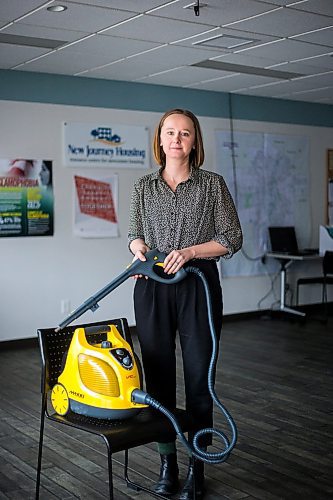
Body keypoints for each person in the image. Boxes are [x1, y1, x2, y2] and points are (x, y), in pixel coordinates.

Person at [128, 109, 242, 499]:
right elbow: (133, 234)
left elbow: (231, 238)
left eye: (185, 133)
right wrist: (137, 248)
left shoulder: (212, 185)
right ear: (160, 139)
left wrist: (191, 251)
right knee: (158, 380)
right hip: (152, 287)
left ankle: (197, 466)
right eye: (170, 132)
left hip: (198, 286)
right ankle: (167, 464)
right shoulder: (144, 186)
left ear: (195, 142)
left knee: (199, 379)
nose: (177, 139)